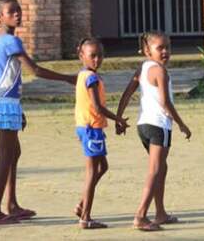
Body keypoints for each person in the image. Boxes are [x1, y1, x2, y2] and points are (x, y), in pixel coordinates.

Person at [0, 0, 77, 226]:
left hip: (5, 102)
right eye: (11, 11)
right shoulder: (12, 42)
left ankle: (12, 205)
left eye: (19, 10)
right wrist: (68, 79)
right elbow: (35, 70)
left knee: (13, 153)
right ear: (0, 16)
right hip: (3, 104)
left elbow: (8, 77)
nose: (17, 14)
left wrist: (18, 109)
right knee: (5, 156)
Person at [115, 31, 191, 231]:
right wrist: (181, 124)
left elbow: (126, 93)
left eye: (168, 47)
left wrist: (119, 118)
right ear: (147, 50)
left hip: (144, 126)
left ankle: (160, 213)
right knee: (155, 170)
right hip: (159, 126)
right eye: (160, 48)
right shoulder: (160, 71)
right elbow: (165, 103)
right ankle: (140, 215)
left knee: (161, 168)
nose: (165, 51)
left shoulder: (142, 68)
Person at [72, 37, 128, 229]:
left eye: (100, 56)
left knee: (102, 167)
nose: (97, 60)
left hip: (84, 127)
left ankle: (82, 204)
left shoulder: (81, 75)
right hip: (92, 129)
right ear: (82, 56)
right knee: (91, 172)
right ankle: (85, 218)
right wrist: (118, 119)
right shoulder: (91, 78)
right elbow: (97, 106)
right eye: (92, 56)